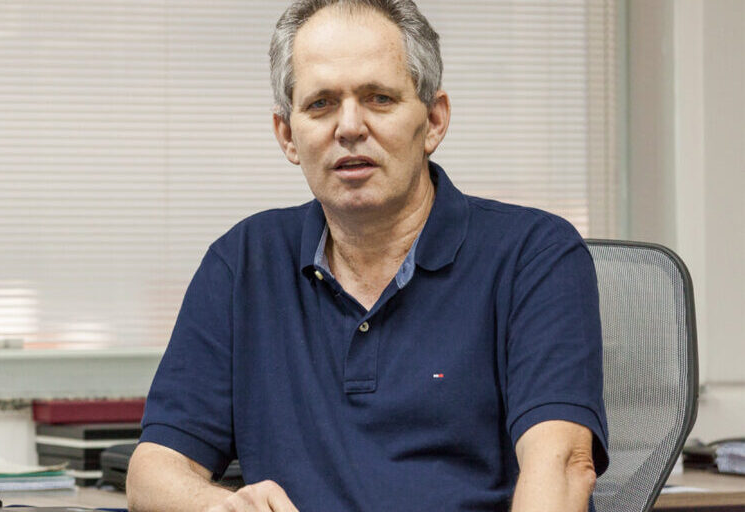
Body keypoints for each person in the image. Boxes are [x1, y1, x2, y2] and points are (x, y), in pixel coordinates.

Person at [126, 1, 609, 510]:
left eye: (379, 98)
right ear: (287, 136)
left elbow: (562, 465)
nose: (350, 127)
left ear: (434, 120)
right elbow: (152, 473)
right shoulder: (242, 263)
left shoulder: (535, 254)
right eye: (321, 104)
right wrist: (217, 506)